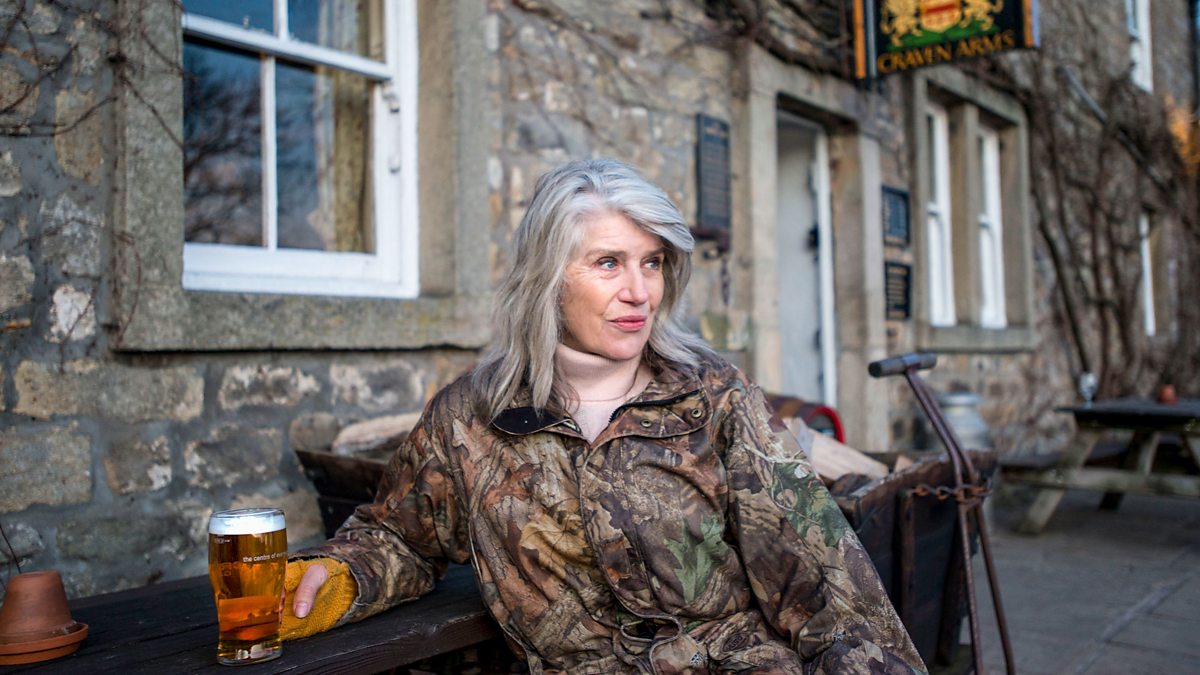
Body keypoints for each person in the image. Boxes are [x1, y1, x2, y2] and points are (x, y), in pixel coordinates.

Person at [282, 158, 926, 673]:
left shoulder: (715, 398)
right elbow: (401, 537)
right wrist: (337, 578)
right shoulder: (471, 417)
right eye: (608, 263)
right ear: (547, 278)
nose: (639, 293)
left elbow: (830, 589)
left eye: (652, 263)